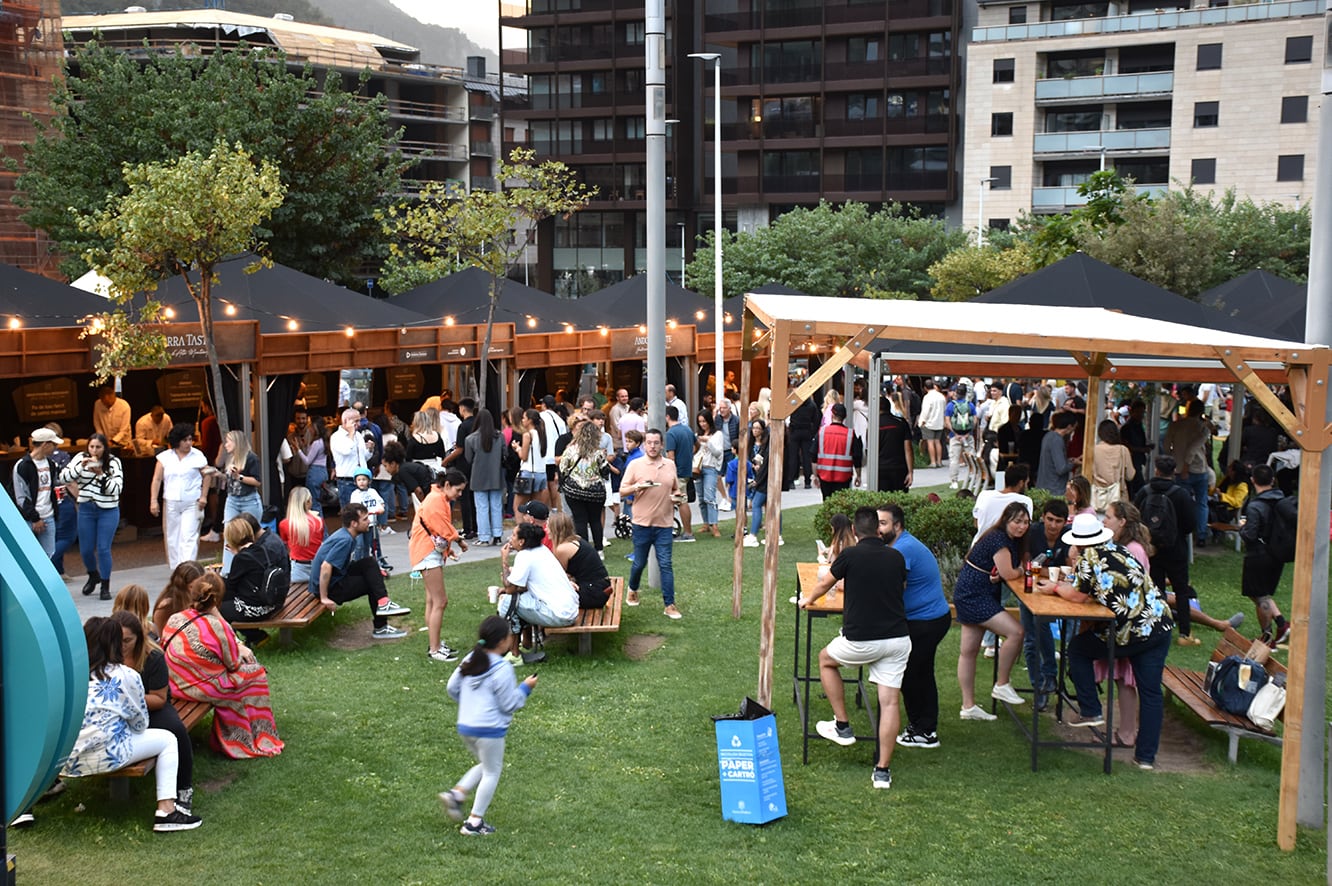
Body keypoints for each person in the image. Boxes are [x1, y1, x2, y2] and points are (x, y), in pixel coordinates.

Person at [1036, 513, 1174, 770]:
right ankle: (1145, 757)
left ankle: (1090, 708)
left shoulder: (1090, 557)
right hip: (1158, 625)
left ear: (1078, 540)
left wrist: (1053, 588)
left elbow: (1076, 596)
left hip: (1128, 631)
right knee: (1151, 691)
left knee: (1078, 649)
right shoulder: (1121, 551)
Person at [802, 507, 911, 790]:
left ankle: (842, 725)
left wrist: (806, 599)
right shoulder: (897, 556)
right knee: (889, 703)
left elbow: (825, 584)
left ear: (853, 531)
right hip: (897, 640)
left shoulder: (849, 555)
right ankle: (882, 771)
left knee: (825, 660)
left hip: (860, 641)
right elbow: (901, 586)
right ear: (879, 530)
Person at [61, 617, 202, 832]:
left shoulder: (70, 675)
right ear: (114, 644)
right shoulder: (126, 675)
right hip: (109, 756)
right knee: (167, 739)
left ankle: (24, 809)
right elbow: (139, 724)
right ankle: (166, 810)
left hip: (68, 759)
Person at [162, 572, 283, 759]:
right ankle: (250, 735)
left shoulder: (176, 618)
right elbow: (233, 664)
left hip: (174, 683)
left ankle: (239, 730)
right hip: (197, 687)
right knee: (256, 674)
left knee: (241, 675)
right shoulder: (217, 625)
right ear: (217, 599)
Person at [439, 615, 538, 837]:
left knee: (485, 764)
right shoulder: (502, 668)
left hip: (466, 725)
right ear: (502, 641)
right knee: (492, 771)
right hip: (489, 729)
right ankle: (474, 822)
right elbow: (509, 704)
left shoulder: (470, 658)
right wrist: (525, 688)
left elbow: (452, 688)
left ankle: (457, 795)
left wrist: (469, 704)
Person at [110, 592, 196, 816]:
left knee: (176, 730)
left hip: (152, 706)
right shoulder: (106, 654)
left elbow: (158, 698)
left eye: (127, 641)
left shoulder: (153, 657)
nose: (122, 646)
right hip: (116, 709)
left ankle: (184, 786)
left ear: (139, 638)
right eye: (116, 641)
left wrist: (126, 699)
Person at [878, 504, 951, 750]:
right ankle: (918, 725)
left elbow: (894, 588)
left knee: (916, 673)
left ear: (897, 526)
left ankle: (926, 730)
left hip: (927, 621)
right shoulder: (897, 546)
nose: (878, 528)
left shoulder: (902, 549)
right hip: (923, 619)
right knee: (914, 672)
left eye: (883, 523)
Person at [953, 501, 1029, 721]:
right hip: (976, 594)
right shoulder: (999, 539)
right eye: (1017, 521)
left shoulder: (1003, 538)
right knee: (1016, 632)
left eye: (1025, 522)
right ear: (1006, 520)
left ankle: (968, 707)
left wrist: (1000, 573)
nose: (1021, 526)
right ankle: (1002, 683)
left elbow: (998, 570)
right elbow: (1009, 573)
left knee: (968, 651)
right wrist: (1021, 570)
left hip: (971, 590)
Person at [310, 503, 411, 640]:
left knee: (369, 563)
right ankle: (381, 628)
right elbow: (325, 567)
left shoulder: (346, 535)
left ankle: (383, 602)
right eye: (364, 519)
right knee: (372, 584)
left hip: (335, 579)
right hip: (329, 589)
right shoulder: (345, 540)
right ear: (354, 523)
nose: (368, 522)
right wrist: (324, 598)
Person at [1133, 456, 1198, 643]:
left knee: (1155, 589)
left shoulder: (1144, 492)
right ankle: (1185, 633)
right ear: (1173, 472)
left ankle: (1157, 627)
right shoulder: (1181, 494)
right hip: (1176, 548)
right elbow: (1190, 523)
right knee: (1181, 590)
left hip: (1152, 548)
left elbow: (1135, 517)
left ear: (1156, 471)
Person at [620, 429, 682, 619]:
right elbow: (622, 491)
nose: (653, 446)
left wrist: (677, 497)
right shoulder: (635, 465)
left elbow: (676, 489)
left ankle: (669, 604)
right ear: (644, 444)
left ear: (661, 445)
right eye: (649, 443)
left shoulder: (670, 465)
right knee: (639, 563)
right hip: (642, 523)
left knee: (666, 564)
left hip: (664, 523)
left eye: (656, 443)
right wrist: (637, 487)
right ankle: (633, 589)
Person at [411, 469, 470, 663]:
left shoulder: (437, 497)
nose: (459, 494)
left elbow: (437, 528)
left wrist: (448, 549)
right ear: (446, 485)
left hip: (427, 552)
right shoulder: (436, 499)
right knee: (440, 601)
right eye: (458, 490)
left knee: (432, 600)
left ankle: (434, 643)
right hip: (427, 554)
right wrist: (458, 540)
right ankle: (435, 649)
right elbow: (442, 528)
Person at [498, 522, 579, 662]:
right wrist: (503, 589)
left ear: (522, 541)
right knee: (519, 599)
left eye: (513, 535)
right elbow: (523, 586)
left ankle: (514, 655)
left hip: (558, 614)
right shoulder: (542, 550)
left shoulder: (524, 557)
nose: (510, 538)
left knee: (506, 602)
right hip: (569, 609)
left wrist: (504, 560)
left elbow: (511, 589)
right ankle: (526, 643)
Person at [56, 432, 123, 599]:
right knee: (85, 549)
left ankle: (105, 585)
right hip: (86, 508)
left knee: (103, 548)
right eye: (91, 446)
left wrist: (101, 474)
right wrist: (81, 466)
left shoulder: (113, 462)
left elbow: (116, 489)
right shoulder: (80, 457)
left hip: (108, 509)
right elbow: (63, 477)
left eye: (98, 447)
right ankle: (93, 575)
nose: (94, 450)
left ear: (104, 448)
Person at [1023, 498, 1070, 710]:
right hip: (1031, 588)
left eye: (1058, 521)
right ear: (1043, 518)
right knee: (1032, 638)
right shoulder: (1032, 533)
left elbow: (1072, 568)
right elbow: (1026, 564)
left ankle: (1051, 676)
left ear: (1064, 522)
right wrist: (1048, 574)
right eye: (1049, 519)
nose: (1053, 525)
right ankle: (1040, 686)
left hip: (1059, 592)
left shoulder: (1069, 537)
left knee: (1046, 628)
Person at [1238, 463, 1293, 645]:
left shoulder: (1255, 506)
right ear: (1273, 480)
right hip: (1277, 553)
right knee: (1261, 593)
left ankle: (1267, 637)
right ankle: (1281, 623)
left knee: (1260, 595)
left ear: (1253, 480)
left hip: (1258, 555)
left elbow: (1251, 535)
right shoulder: (1282, 501)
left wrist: (1242, 529)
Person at [150, 423, 210, 570]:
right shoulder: (164, 457)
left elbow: (207, 475)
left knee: (189, 536)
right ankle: (177, 568)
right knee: (172, 536)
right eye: (185, 440)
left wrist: (204, 496)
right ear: (177, 441)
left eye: (190, 439)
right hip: (171, 501)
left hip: (192, 501)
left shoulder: (198, 456)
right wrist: (153, 500)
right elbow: (157, 479)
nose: (188, 443)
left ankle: (188, 568)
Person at [219, 517, 287, 626]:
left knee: (214, 610)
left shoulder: (241, 558)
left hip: (254, 610)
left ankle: (252, 636)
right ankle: (253, 636)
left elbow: (230, 588)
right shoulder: (262, 548)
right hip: (268, 606)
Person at [1164, 398, 1211, 547]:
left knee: (1180, 502)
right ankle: (1201, 534)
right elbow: (1193, 449)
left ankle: (1181, 532)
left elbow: (1166, 445)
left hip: (1179, 468)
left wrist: (1177, 460)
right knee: (1201, 502)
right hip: (1199, 469)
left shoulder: (1176, 425)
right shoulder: (1203, 428)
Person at [218, 430, 263, 574]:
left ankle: (252, 569)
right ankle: (227, 572)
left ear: (237, 442)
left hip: (249, 500)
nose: (225, 445)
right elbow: (229, 480)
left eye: (228, 441)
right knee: (228, 533)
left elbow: (257, 482)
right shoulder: (230, 458)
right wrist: (217, 474)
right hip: (232, 500)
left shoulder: (251, 458)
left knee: (250, 535)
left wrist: (239, 476)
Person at [12, 426, 60, 558]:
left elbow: (55, 485)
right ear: (45, 444)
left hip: (48, 515)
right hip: (29, 519)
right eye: (53, 444)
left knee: (49, 554)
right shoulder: (22, 466)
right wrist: (35, 518)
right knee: (28, 556)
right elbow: (21, 497)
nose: (55, 447)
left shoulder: (51, 464)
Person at [549, 512, 612, 609]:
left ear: (555, 529)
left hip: (593, 593)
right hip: (601, 586)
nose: (546, 530)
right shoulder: (576, 539)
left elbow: (559, 577)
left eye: (548, 527)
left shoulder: (562, 549)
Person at [465, 408, 506, 547]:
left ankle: (483, 536)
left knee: (481, 507)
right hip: (496, 476)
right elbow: (504, 455)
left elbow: (468, 459)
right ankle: (497, 535)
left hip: (478, 476)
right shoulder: (500, 437)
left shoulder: (470, 439)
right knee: (496, 506)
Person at [971, 463, 1032, 548]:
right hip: (1005, 549)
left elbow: (976, 523)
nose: (1026, 486)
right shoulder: (1025, 501)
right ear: (1021, 483)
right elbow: (1023, 531)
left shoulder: (983, 495)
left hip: (977, 547)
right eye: (1027, 483)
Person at [742, 420, 782, 548]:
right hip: (763, 478)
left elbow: (766, 465)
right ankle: (776, 535)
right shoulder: (754, 444)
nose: (755, 431)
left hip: (766, 479)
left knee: (757, 504)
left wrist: (758, 480)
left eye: (758, 428)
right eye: (753, 428)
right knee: (771, 505)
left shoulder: (769, 444)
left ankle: (754, 535)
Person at [814, 402, 861, 501]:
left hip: (824, 476)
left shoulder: (822, 432)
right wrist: (858, 475)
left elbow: (813, 456)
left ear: (832, 415)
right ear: (845, 417)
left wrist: (815, 476)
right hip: (844, 477)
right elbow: (857, 457)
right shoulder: (850, 434)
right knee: (841, 505)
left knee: (827, 504)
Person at [663, 405, 696, 542]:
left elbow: (671, 457)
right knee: (680, 501)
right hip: (687, 469)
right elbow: (696, 445)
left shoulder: (671, 433)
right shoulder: (687, 429)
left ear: (667, 417)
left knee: (681, 501)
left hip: (678, 472)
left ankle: (688, 533)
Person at [348, 466, 389, 572]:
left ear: (369, 481)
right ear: (355, 482)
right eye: (359, 480)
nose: (361, 482)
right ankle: (357, 564)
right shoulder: (355, 494)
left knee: (373, 543)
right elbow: (354, 507)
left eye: (364, 479)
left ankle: (375, 561)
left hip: (372, 522)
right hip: (360, 524)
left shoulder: (372, 492)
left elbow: (381, 502)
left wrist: (381, 508)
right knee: (360, 545)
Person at [330, 407, 372, 508]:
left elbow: (363, 457)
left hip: (363, 478)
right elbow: (346, 451)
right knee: (350, 514)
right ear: (346, 421)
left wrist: (370, 450)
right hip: (347, 481)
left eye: (359, 420)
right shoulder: (336, 437)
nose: (359, 424)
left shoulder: (358, 435)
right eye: (356, 421)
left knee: (364, 511)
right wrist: (351, 434)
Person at [1091, 419, 1135, 512]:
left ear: (1100, 433)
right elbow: (1130, 476)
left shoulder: (1093, 450)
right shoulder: (1123, 450)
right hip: (1119, 497)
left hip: (1097, 496)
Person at [153, 561, 205, 638]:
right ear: (183, 586)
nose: (198, 591)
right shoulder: (167, 606)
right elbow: (160, 637)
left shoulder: (202, 598)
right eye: (192, 587)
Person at [876, 391, 914, 493]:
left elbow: (871, 448)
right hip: (899, 467)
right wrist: (910, 472)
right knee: (899, 501)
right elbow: (908, 449)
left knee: (882, 501)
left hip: (880, 468)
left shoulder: (874, 425)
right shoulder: (901, 423)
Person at [512, 408, 549, 515]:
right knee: (534, 507)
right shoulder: (542, 434)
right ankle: (534, 529)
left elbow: (524, 457)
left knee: (518, 506)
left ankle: (522, 530)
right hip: (541, 473)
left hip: (528, 473)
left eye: (524, 418)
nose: (522, 420)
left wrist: (518, 448)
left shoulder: (527, 435)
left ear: (530, 420)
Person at [695, 410, 725, 538]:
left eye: (704, 421)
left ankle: (714, 525)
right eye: (700, 422)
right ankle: (706, 523)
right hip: (698, 468)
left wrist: (708, 441)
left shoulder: (717, 434)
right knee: (701, 498)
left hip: (710, 467)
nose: (702, 424)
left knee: (710, 497)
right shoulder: (698, 434)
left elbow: (718, 452)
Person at [1035, 412, 1080, 494]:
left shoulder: (1048, 436)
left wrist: (1069, 461)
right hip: (1054, 489)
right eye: (1074, 428)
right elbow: (1061, 468)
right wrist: (1073, 463)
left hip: (1044, 487)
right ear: (1069, 427)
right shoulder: (1057, 440)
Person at [944, 383, 978, 490]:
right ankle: (974, 479)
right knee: (972, 457)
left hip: (955, 436)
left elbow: (947, 421)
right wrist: (969, 432)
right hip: (968, 435)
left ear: (956, 393)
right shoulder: (970, 405)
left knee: (954, 459)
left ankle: (954, 481)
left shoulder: (950, 405)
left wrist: (955, 433)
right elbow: (975, 420)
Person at [787, 393, 820, 489]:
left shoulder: (794, 403)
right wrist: (812, 432)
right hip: (807, 432)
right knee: (806, 457)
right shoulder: (812, 405)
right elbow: (816, 420)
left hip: (795, 431)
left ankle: (791, 480)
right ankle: (807, 481)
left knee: (793, 457)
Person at [92, 384, 132, 450]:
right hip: (106, 442)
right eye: (104, 402)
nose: (106, 405)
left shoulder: (124, 406)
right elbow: (97, 424)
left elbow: (124, 429)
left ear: (113, 396)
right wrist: (102, 439)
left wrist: (113, 441)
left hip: (123, 442)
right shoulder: (98, 404)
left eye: (108, 402)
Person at [917, 379, 946, 468]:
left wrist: (922, 421)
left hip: (929, 422)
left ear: (925, 388)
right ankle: (939, 461)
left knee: (930, 442)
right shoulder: (941, 396)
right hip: (939, 422)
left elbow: (926, 410)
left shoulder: (927, 397)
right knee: (938, 441)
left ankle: (933, 462)